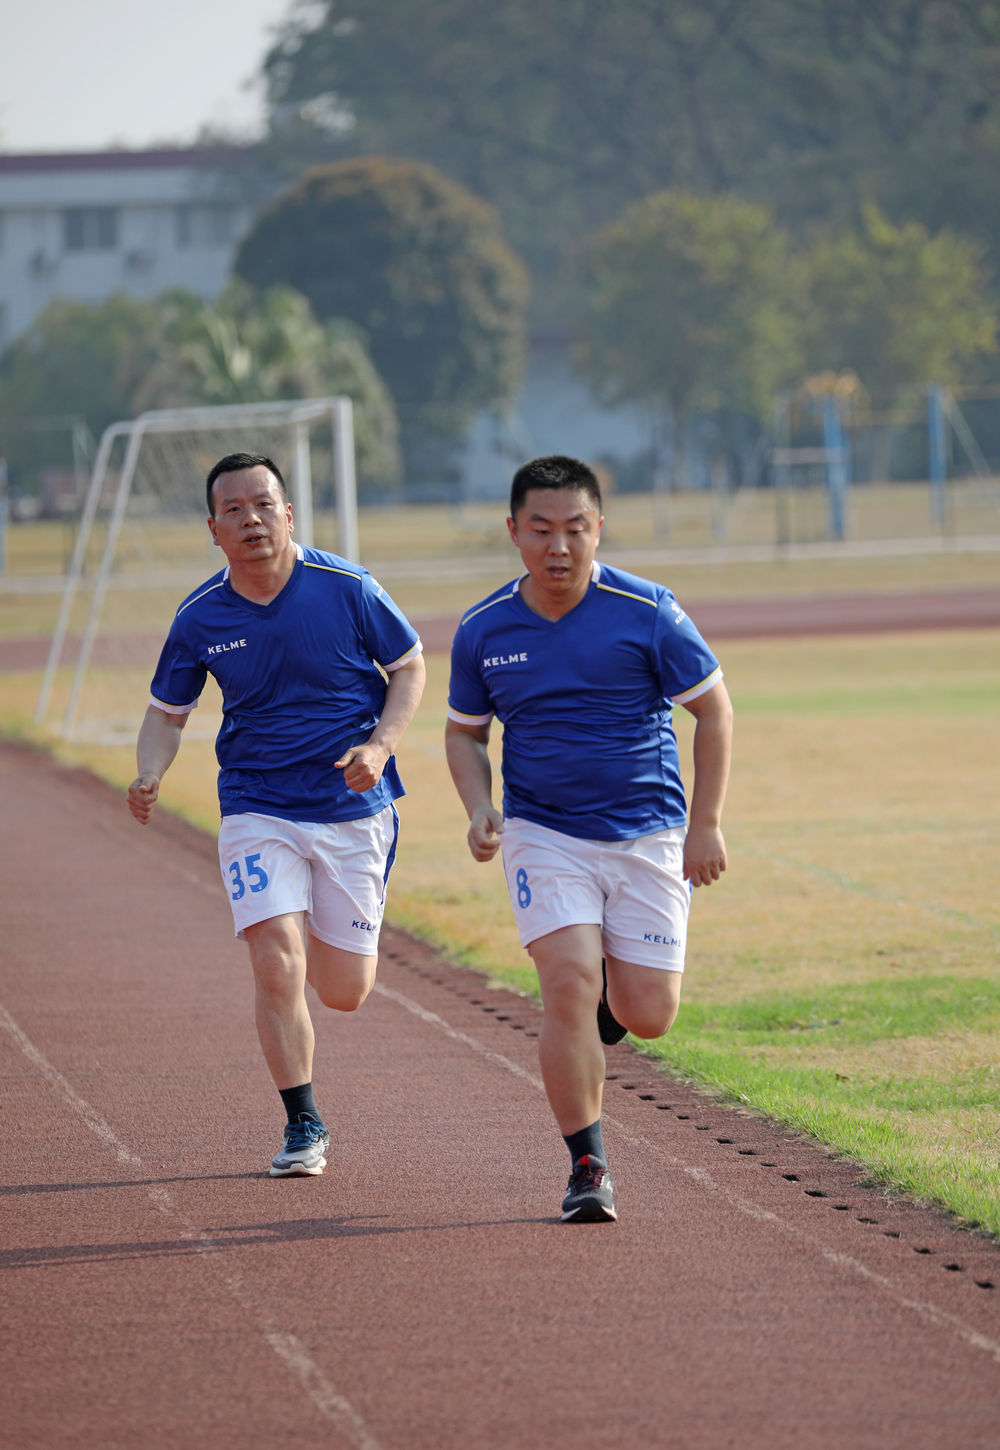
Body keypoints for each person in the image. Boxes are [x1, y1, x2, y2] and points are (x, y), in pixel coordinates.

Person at [446, 455, 732, 1223]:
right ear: (514, 532)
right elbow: (465, 735)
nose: (559, 545)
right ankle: (587, 1165)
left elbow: (714, 710)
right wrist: (480, 807)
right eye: (541, 529)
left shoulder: (648, 611)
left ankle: (613, 999)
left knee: (649, 1015)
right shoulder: (483, 628)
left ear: (599, 529)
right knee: (567, 980)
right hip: (544, 833)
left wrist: (703, 823)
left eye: (576, 528)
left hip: (649, 835)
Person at [128, 451, 425, 1178]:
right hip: (258, 805)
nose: (251, 519)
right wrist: (148, 770)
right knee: (274, 966)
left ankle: (330, 973)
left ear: (288, 514)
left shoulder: (347, 588)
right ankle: (303, 1123)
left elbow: (410, 666)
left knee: (343, 991)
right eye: (234, 510)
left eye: (263, 504)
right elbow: (167, 714)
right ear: (214, 528)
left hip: (352, 807)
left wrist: (381, 745)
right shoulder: (199, 617)